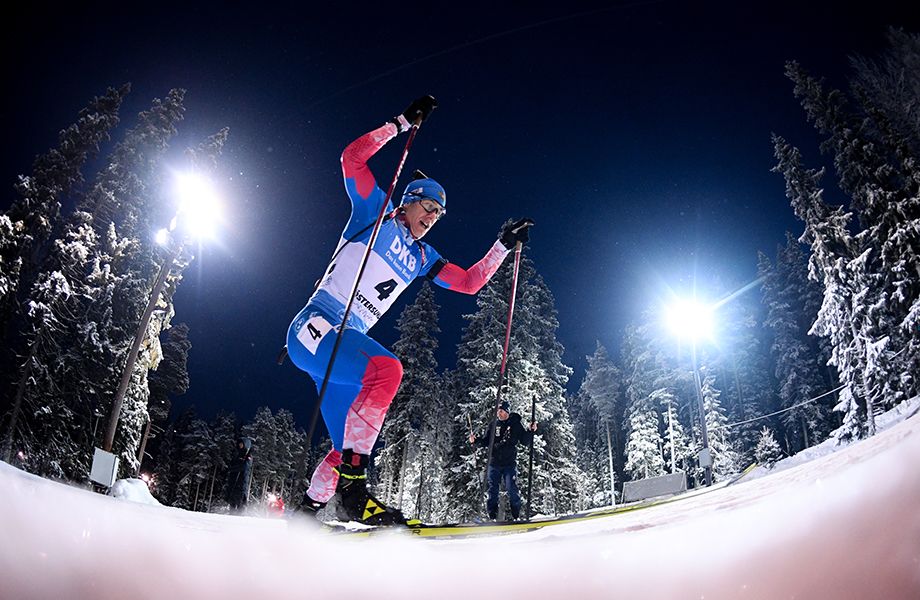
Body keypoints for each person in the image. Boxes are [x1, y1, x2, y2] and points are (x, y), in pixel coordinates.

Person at [287, 95, 532, 525]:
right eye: (428, 207)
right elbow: (351, 158)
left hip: (345, 346)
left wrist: (502, 246)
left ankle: (306, 511)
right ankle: (354, 496)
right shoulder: (375, 213)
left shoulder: (422, 257)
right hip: (317, 327)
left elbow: (470, 282)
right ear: (409, 200)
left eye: (439, 214)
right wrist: (399, 123)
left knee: (344, 447)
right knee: (388, 369)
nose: (433, 218)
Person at [469, 401, 538, 520]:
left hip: (509, 463)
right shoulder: (493, 425)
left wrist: (531, 431)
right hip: (494, 462)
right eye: (497, 411)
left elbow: (524, 441)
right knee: (492, 490)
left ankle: (516, 516)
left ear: (506, 411)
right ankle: (492, 517)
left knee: (512, 488)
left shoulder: (515, 424)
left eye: (501, 411)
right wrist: (475, 440)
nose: (498, 413)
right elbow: (486, 441)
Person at [226, 437, 253, 511]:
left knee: (240, 499)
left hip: (242, 481)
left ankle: (240, 514)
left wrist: (233, 469)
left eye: (242, 444)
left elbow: (244, 467)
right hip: (234, 481)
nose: (240, 445)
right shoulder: (237, 454)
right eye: (239, 444)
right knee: (232, 499)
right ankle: (231, 512)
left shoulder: (248, 456)